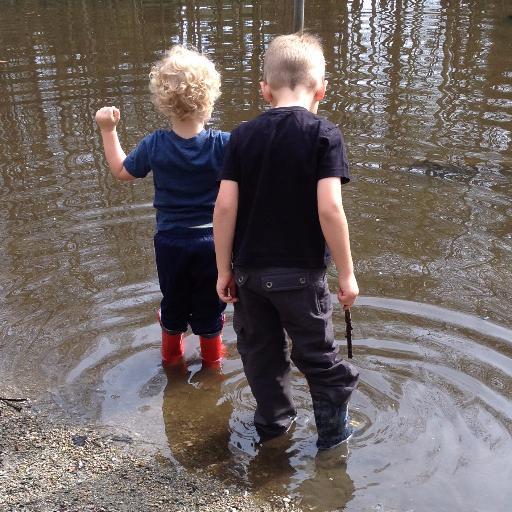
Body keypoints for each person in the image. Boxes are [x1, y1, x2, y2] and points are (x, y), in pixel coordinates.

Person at [213, 33, 359, 451]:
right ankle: (333, 439)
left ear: (264, 89)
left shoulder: (241, 136)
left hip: (249, 275)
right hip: (300, 276)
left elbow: (223, 208)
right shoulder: (324, 135)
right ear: (321, 90)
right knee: (318, 358)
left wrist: (224, 269)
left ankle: (274, 430)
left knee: (261, 354)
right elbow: (330, 209)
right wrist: (347, 274)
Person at [95, 45, 229, 368]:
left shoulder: (155, 144)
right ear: (209, 99)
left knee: (173, 305)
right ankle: (213, 369)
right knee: (211, 311)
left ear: (163, 102)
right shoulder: (224, 144)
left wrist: (108, 130)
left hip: (170, 242)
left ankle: (171, 362)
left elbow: (121, 171)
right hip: (213, 244)